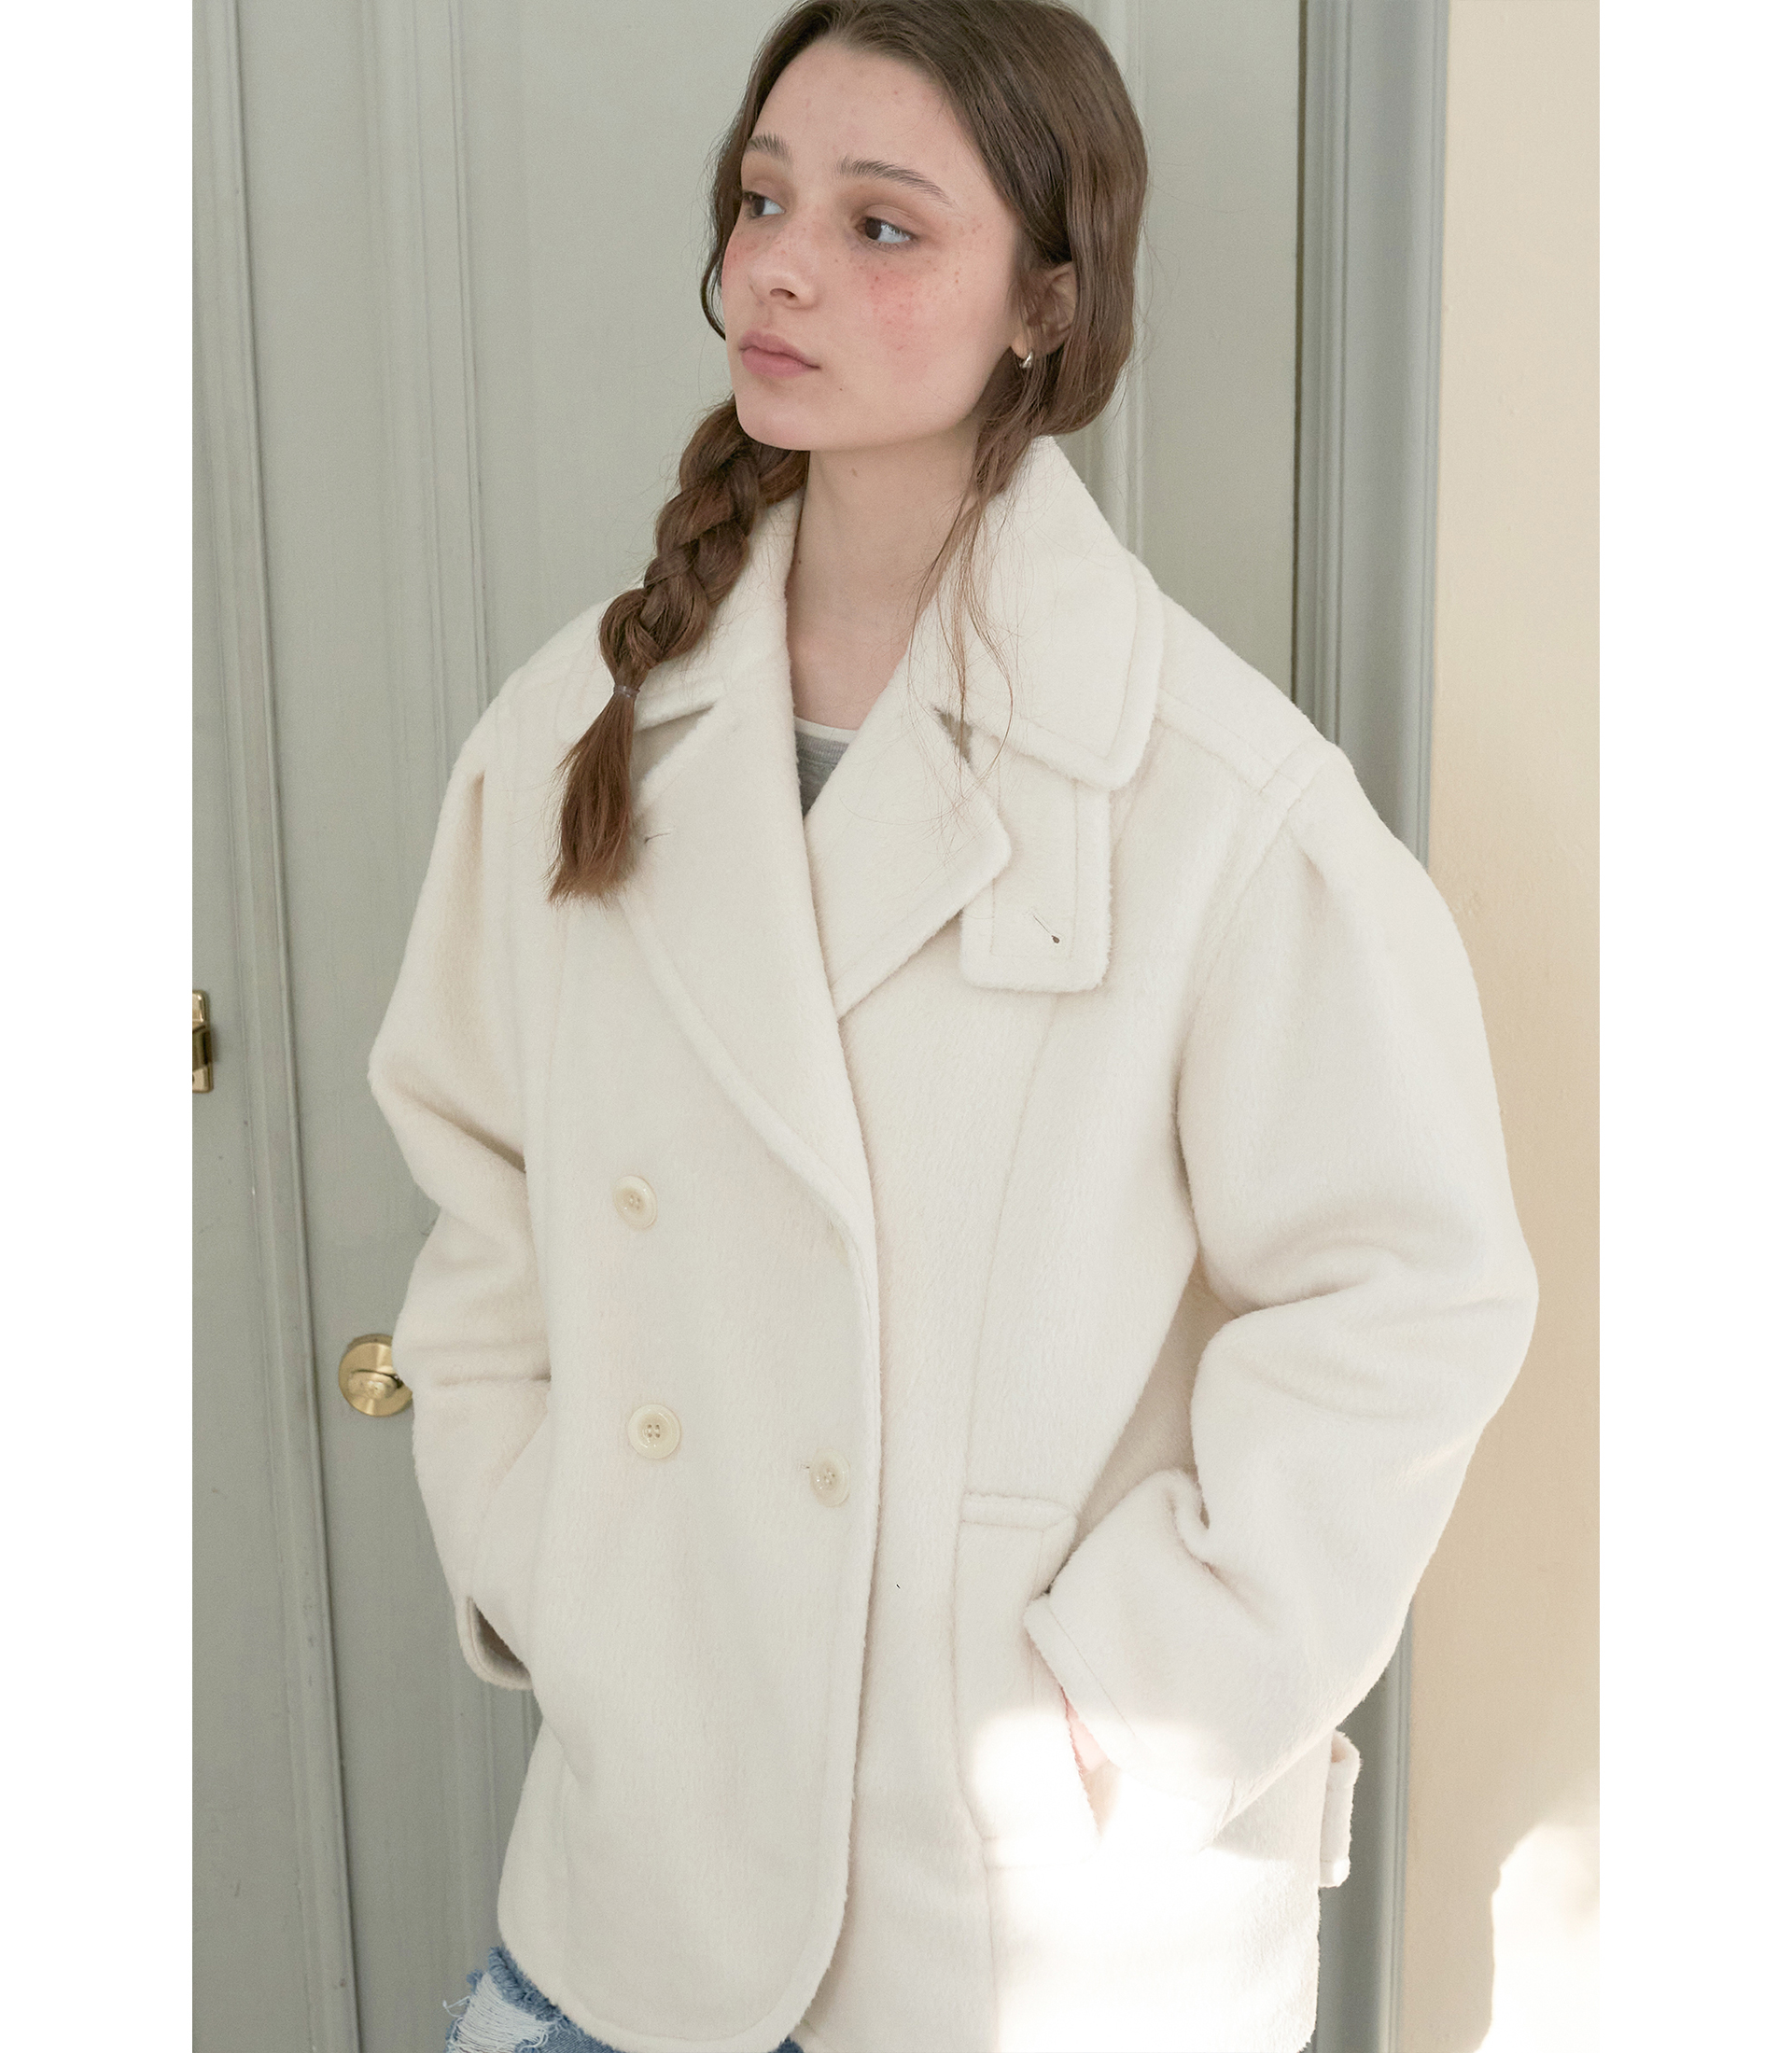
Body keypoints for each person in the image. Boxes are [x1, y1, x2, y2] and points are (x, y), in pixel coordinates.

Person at [368, 3, 1538, 2050]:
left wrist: (1131, 1705)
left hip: (1026, 1929)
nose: (779, 268)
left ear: (1046, 303)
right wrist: (562, 1567)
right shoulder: (571, 730)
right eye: (762, 201)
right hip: (632, 1897)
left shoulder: (1216, 799)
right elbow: (480, 1182)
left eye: (882, 224)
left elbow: (1409, 1290)